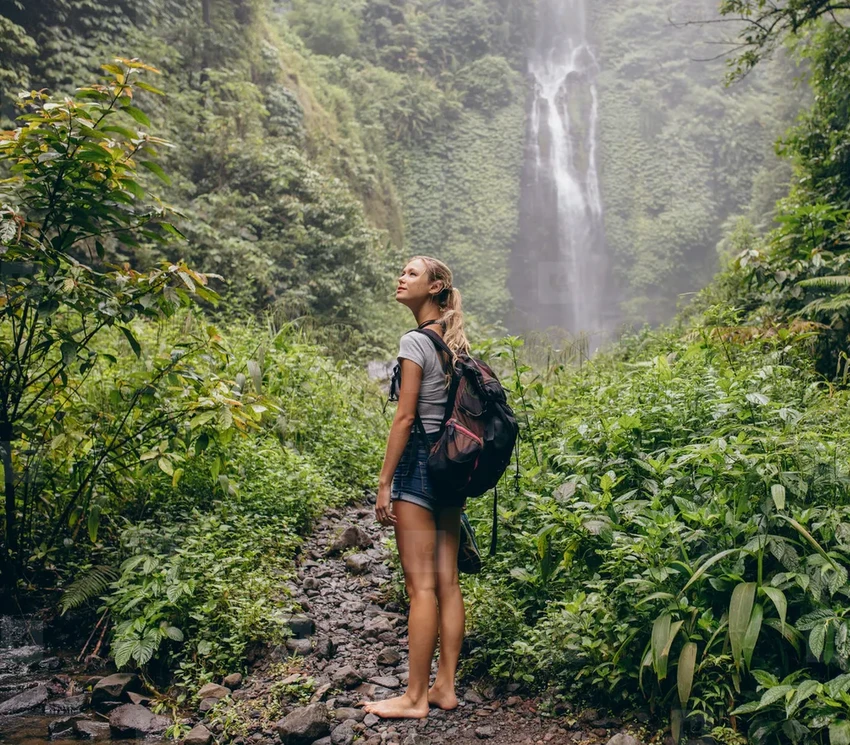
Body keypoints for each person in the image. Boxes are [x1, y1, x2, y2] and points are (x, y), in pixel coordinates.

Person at [362, 255, 471, 720]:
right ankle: (444, 687)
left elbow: (405, 417)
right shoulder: (453, 342)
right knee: (447, 582)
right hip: (451, 470)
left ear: (434, 286)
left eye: (410, 273)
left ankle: (413, 698)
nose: (400, 278)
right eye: (401, 271)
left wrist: (385, 483)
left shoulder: (413, 342)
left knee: (420, 587)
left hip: (419, 470)